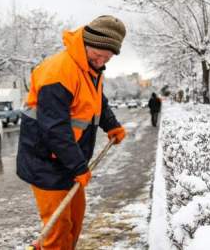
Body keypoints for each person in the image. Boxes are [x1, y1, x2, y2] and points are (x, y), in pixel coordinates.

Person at [16, 15, 127, 250]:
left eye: (107, 57)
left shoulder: (91, 69)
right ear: (87, 42)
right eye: (98, 54)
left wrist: (112, 125)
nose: (101, 60)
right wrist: (78, 166)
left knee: (74, 222)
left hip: (68, 160)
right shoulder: (58, 71)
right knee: (58, 230)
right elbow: (54, 128)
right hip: (45, 162)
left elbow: (98, 102)